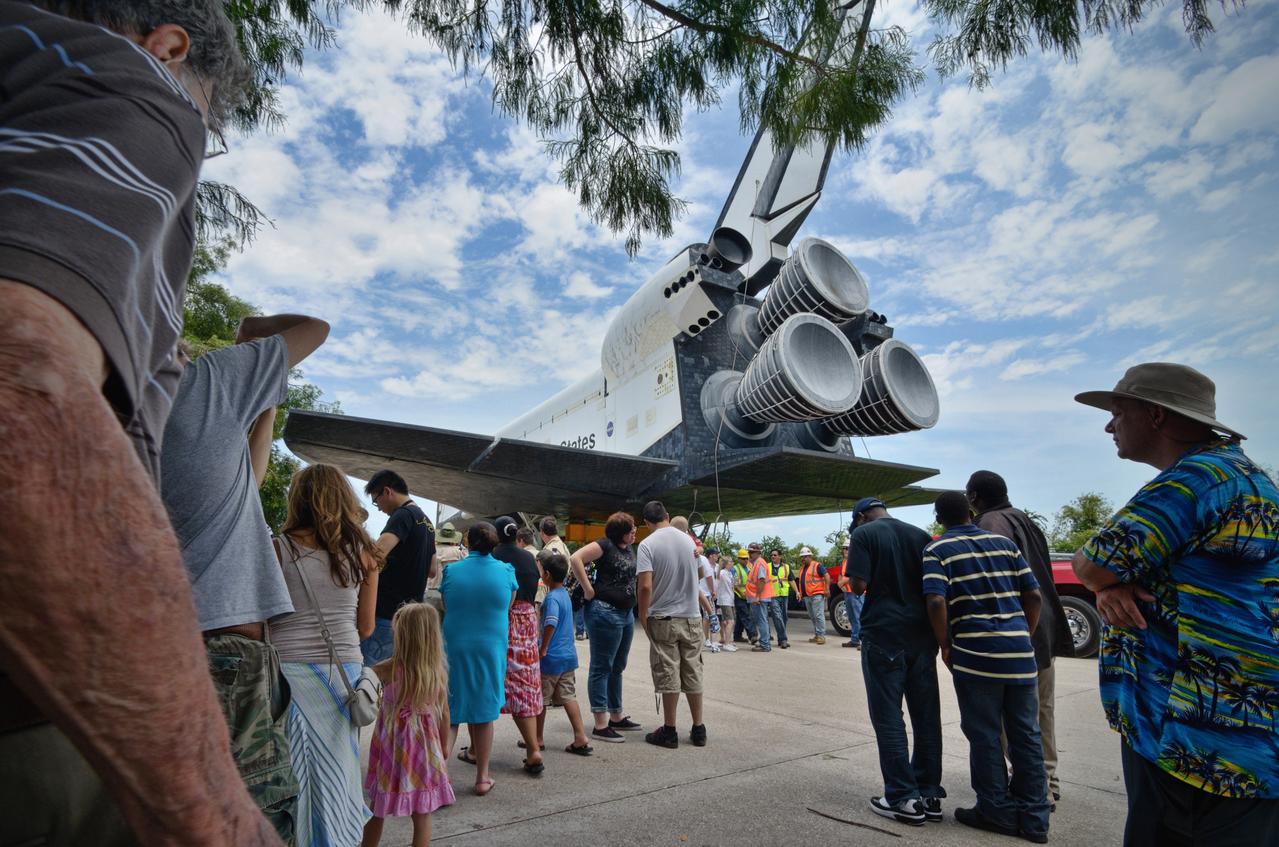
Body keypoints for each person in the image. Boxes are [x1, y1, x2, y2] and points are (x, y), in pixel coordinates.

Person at [0, 3, 281, 844]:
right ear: (169, 46)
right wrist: (211, 814)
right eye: (211, 123)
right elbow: (24, 395)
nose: (198, 146)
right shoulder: (126, 79)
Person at [1070, 362, 1279, 845]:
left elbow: (1091, 563)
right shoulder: (1242, 476)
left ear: (1155, 416)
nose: (1109, 426)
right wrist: (1110, 585)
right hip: (1236, 737)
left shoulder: (1195, 481)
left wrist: (1105, 581)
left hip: (1190, 742)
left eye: (1118, 412)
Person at [161, 313, 330, 841]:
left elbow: (247, 479)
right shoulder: (199, 383)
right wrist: (249, 335)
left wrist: (265, 403)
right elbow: (313, 329)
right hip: (227, 651)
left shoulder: (100, 410)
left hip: (151, 649)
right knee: (254, 817)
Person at [924, 491, 1049, 842]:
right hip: (1020, 655)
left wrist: (945, 644)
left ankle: (995, 810)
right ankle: (1035, 818)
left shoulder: (937, 550)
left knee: (985, 735)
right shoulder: (1004, 545)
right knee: (1026, 735)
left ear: (939, 518)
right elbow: (1034, 595)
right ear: (970, 512)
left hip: (975, 657)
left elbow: (935, 599)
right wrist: (1024, 632)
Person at [271, 465, 382, 847]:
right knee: (340, 771)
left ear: (297, 498)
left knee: (297, 776)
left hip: (288, 677)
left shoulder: (277, 548)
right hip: (343, 677)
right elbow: (366, 628)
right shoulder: (363, 553)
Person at [968, 469, 1075, 806]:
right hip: (1042, 631)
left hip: (1013, 638)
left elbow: (993, 587)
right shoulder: (1024, 520)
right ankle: (1047, 779)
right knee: (1042, 710)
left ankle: (1031, 789)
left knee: (1007, 718)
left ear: (973, 497)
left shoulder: (990, 526)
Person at [846, 497, 945, 826]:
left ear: (861, 517)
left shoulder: (864, 534)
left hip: (883, 635)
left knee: (889, 717)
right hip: (921, 636)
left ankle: (902, 797)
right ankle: (929, 793)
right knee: (926, 716)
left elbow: (858, 585)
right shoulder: (921, 536)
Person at [361, 603, 455, 847]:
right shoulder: (436, 673)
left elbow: (363, 683)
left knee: (377, 807)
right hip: (424, 752)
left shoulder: (387, 668)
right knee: (422, 813)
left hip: (391, 749)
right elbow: (444, 714)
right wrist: (443, 748)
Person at [439, 522, 515, 796]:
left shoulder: (451, 571)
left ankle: (440, 778)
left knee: (450, 712)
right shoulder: (506, 571)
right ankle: (482, 777)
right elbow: (507, 605)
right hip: (490, 647)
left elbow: (446, 604)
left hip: (455, 645)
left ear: (468, 542)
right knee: (483, 714)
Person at [636, 501, 708, 748]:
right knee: (693, 670)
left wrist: (643, 615)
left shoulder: (647, 545)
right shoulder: (689, 541)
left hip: (663, 617)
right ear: (667, 516)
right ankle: (699, 729)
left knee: (669, 672)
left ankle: (670, 730)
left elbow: (645, 585)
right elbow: (699, 573)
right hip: (692, 617)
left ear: (646, 523)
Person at [571, 512, 643, 743]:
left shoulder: (627, 548)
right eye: (631, 529)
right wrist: (588, 588)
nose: (635, 532)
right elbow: (576, 559)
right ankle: (601, 723)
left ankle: (616, 715)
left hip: (625, 614)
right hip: (605, 613)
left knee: (617, 666)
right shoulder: (605, 545)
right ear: (620, 531)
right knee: (602, 666)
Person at [362, 470, 437, 665]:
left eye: (376, 501)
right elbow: (432, 570)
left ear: (387, 491)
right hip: (410, 618)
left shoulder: (402, 515)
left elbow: (373, 557)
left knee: (372, 681)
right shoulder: (427, 522)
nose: (378, 509)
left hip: (386, 613)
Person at [492, 517, 546, 775]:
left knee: (488, 683)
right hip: (527, 622)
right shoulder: (528, 557)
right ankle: (533, 748)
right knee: (525, 685)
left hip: (500, 620)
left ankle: (474, 750)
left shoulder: (493, 555)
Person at [536, 553, 594, 756]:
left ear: (548, 575)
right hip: (568, 657)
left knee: (541, 700)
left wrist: (543, 648)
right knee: (569, 696)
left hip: (551, 658)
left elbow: (550, 622)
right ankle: (580, 737)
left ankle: (537, 739)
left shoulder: (551, 598)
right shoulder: (565, 596)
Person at [540, 518, 582, 639]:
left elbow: (547, 577)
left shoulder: (548, 551)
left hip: (551, 592)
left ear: (542, 532)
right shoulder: (563, 546)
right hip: (564, 592)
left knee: (551, 630)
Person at [795, 548, 830, 644]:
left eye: (805, 557)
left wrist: (826, 589)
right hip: (807, 595)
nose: (803, 559)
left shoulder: (817, 565)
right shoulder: (802, 568)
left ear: (810, 556)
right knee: (812, 616)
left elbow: (827, 576)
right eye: (801, 557)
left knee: (818, 615)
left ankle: (821, 636)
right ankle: (817, 634)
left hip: (817, 594)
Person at [748, 546, 776, 653]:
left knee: (762, 621)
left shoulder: (759, 564)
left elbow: (761, 580)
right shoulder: (758, 563)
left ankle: (765, 644)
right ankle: (764, 642)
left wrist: (757, 596)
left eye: (751, 552)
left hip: (760, 597)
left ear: (756, 553)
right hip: (761, 597)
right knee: (762, 620)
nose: (749, 555)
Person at [837, 540, 864, 648]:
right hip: (848, 592)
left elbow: (853, 575)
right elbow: (841, 574)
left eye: (847, 548)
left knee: (858, 617)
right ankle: (855, 640)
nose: (845, 550)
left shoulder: (856, 560)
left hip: (856, 592)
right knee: (852, 618)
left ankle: (863, 641)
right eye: (844, 548)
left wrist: (842, 582)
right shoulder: (845, 562)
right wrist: (841, 585)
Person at [712, 553, 739, 652]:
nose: (733, 563)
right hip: (725, 600)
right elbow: (717, 576)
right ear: (726, 563)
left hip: (730, 600)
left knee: (731, 621)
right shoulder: (722, 573)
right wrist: (721, 562)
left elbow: (732, 586)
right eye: (731, 561)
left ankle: (728, 641)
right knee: (730, 621)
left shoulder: (729, 573)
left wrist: (735, 581)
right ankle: (726, 644)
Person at [731, 548, 758, 644]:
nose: (746, 560)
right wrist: (740, 592)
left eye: (747, 558)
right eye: (743, 559)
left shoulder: (750, 568)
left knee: (741, 616)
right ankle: (753, 635)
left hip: (748, 595)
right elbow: (733, 583)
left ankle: (737, 635)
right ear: (739, 559)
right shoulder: (735, 569)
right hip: (738, 595)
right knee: (746, 615)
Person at [768, 548, 792, 648]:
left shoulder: (786, 567)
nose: (773, 556)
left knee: (784, 617)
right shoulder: (767, 566)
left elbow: (791, 580)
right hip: (773, 595)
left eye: (775, 555)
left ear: (779, 556)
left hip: (784, 594)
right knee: (777, 617)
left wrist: (798, 592)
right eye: (772, 555)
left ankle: (780, 638)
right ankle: (783, 639)